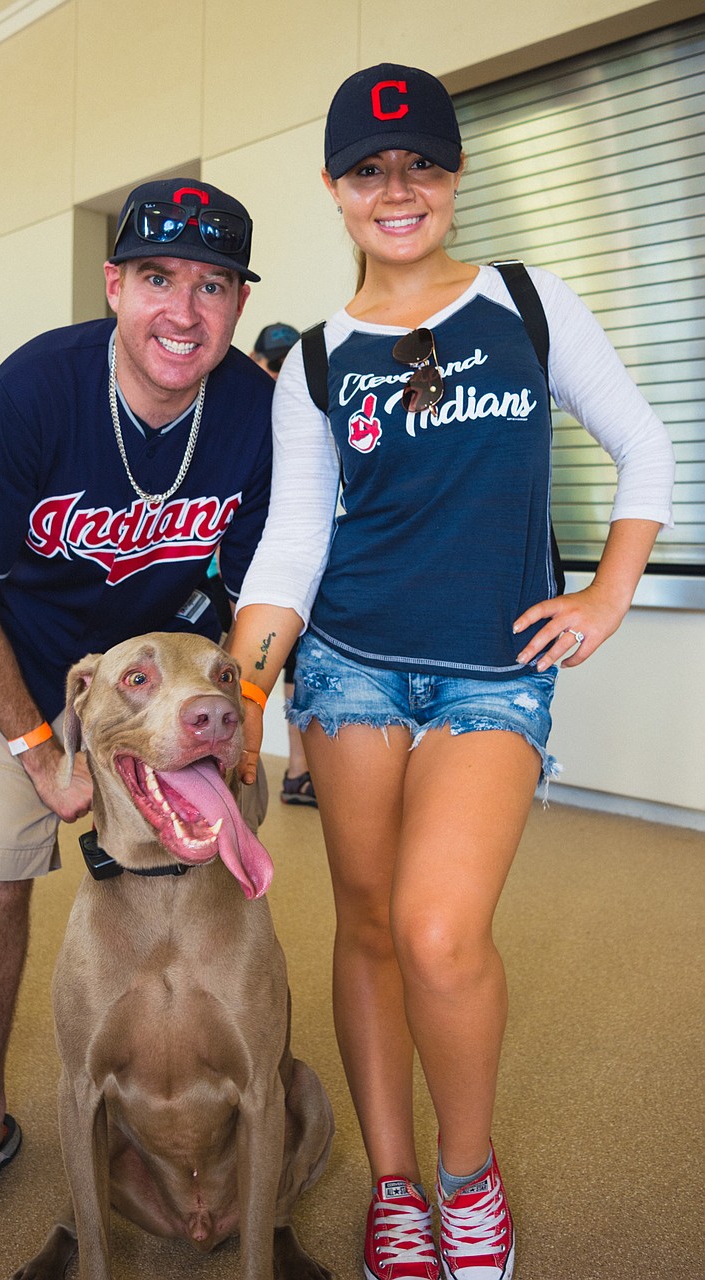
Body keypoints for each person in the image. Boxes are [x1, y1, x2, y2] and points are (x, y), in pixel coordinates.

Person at [228, 64, 674, 1280]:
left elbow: (643, 444)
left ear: (455, 173)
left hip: (490, 675)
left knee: (435, 930)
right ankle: (392, 1186)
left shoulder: (525, 304)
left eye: (421, 161)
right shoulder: (319, 359)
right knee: (366, 925)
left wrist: (607, 593)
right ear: (333, 188)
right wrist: (245, 696)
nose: (398, 187)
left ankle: (466, 1178)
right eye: (368, 170)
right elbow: (294, 541)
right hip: (351, 669)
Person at [0, 177, 274, 1240]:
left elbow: (261, 594)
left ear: (238, 303)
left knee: (210, 869)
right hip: (19, 659)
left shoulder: (249, 409)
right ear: (114, 285)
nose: (183, 311)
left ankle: (192, 1052)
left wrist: (236, 710)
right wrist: (37, 749)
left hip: (161, 676)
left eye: (213, 285)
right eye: (157, 277)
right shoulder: (36, 390)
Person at [248, 322, 319, 808]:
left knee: (300, 666)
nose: (275, 372)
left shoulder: (303, 406)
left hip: (297, 558)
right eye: (270, 362)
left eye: (283, 364)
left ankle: (300, 770)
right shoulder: (240, 408)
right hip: (239, 565)